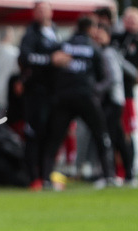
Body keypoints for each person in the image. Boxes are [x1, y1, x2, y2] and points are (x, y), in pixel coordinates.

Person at [41, 16, 117, 189]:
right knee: (101, 135)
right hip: (86, 97)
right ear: (91, 29)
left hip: (64, 97)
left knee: (55, 138)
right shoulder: (93, 47)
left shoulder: (63, 45)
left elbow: (51, 68)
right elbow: (104, 76)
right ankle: (109, 176)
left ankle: (45, 178)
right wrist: (94, 90)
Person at [18, 1, 69, 190]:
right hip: (36, 93)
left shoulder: (55, 32)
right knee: (34, 134)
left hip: (54, 92)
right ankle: (34, 177)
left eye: (45, 9)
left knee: (52, 134)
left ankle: (47, 176)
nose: (42, 13)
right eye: (39, 10)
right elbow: (25, 57)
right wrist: (50, 60)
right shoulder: (30, 34)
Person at [93, 22, 137, 187]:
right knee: (118, 138)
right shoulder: (112, 52)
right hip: (116, 100)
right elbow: (131, 70)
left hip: (110, 101)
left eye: (100, 35)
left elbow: (112, 78)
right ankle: (129, 175)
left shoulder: (107, 53)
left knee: (108, 138)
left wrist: (96, 89)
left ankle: (109, 175)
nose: (97, 38)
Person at [111, 7, 138, 181]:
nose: (131, 23)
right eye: (129, 19)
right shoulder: (115, 39)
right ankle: (117, 171)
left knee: (127, 133)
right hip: (112, 94)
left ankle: (130, 170)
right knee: (115, 133)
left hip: (127, 95)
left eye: (135, 20)